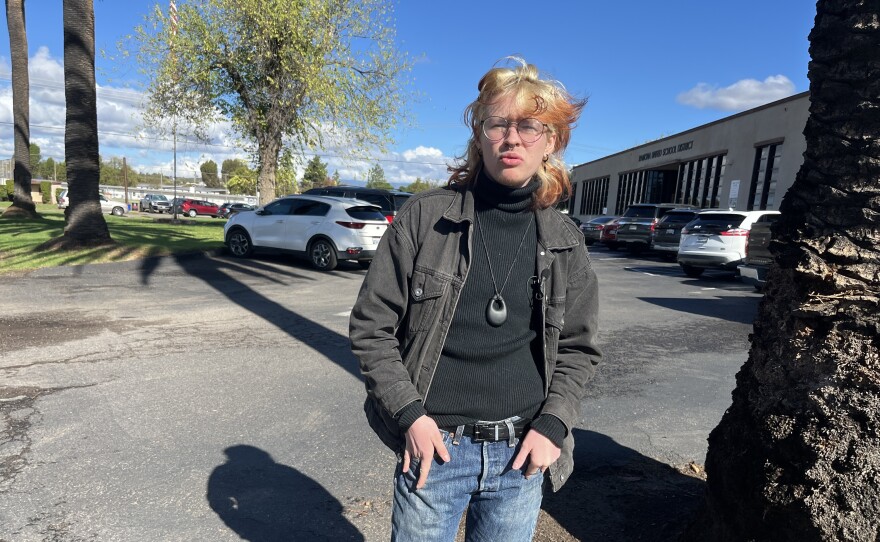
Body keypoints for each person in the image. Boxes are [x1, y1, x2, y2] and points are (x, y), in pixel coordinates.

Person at [349, 56, 601, 542]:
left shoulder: (565, 239)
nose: (512, 138)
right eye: (498, 123)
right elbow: (371, 328)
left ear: (551, 142)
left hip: (521, 455)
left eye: (530, 126)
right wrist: (410, 418)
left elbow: (579, 348)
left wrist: (553, 426)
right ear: (478, 133)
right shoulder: (426, 219)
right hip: (434, 447)